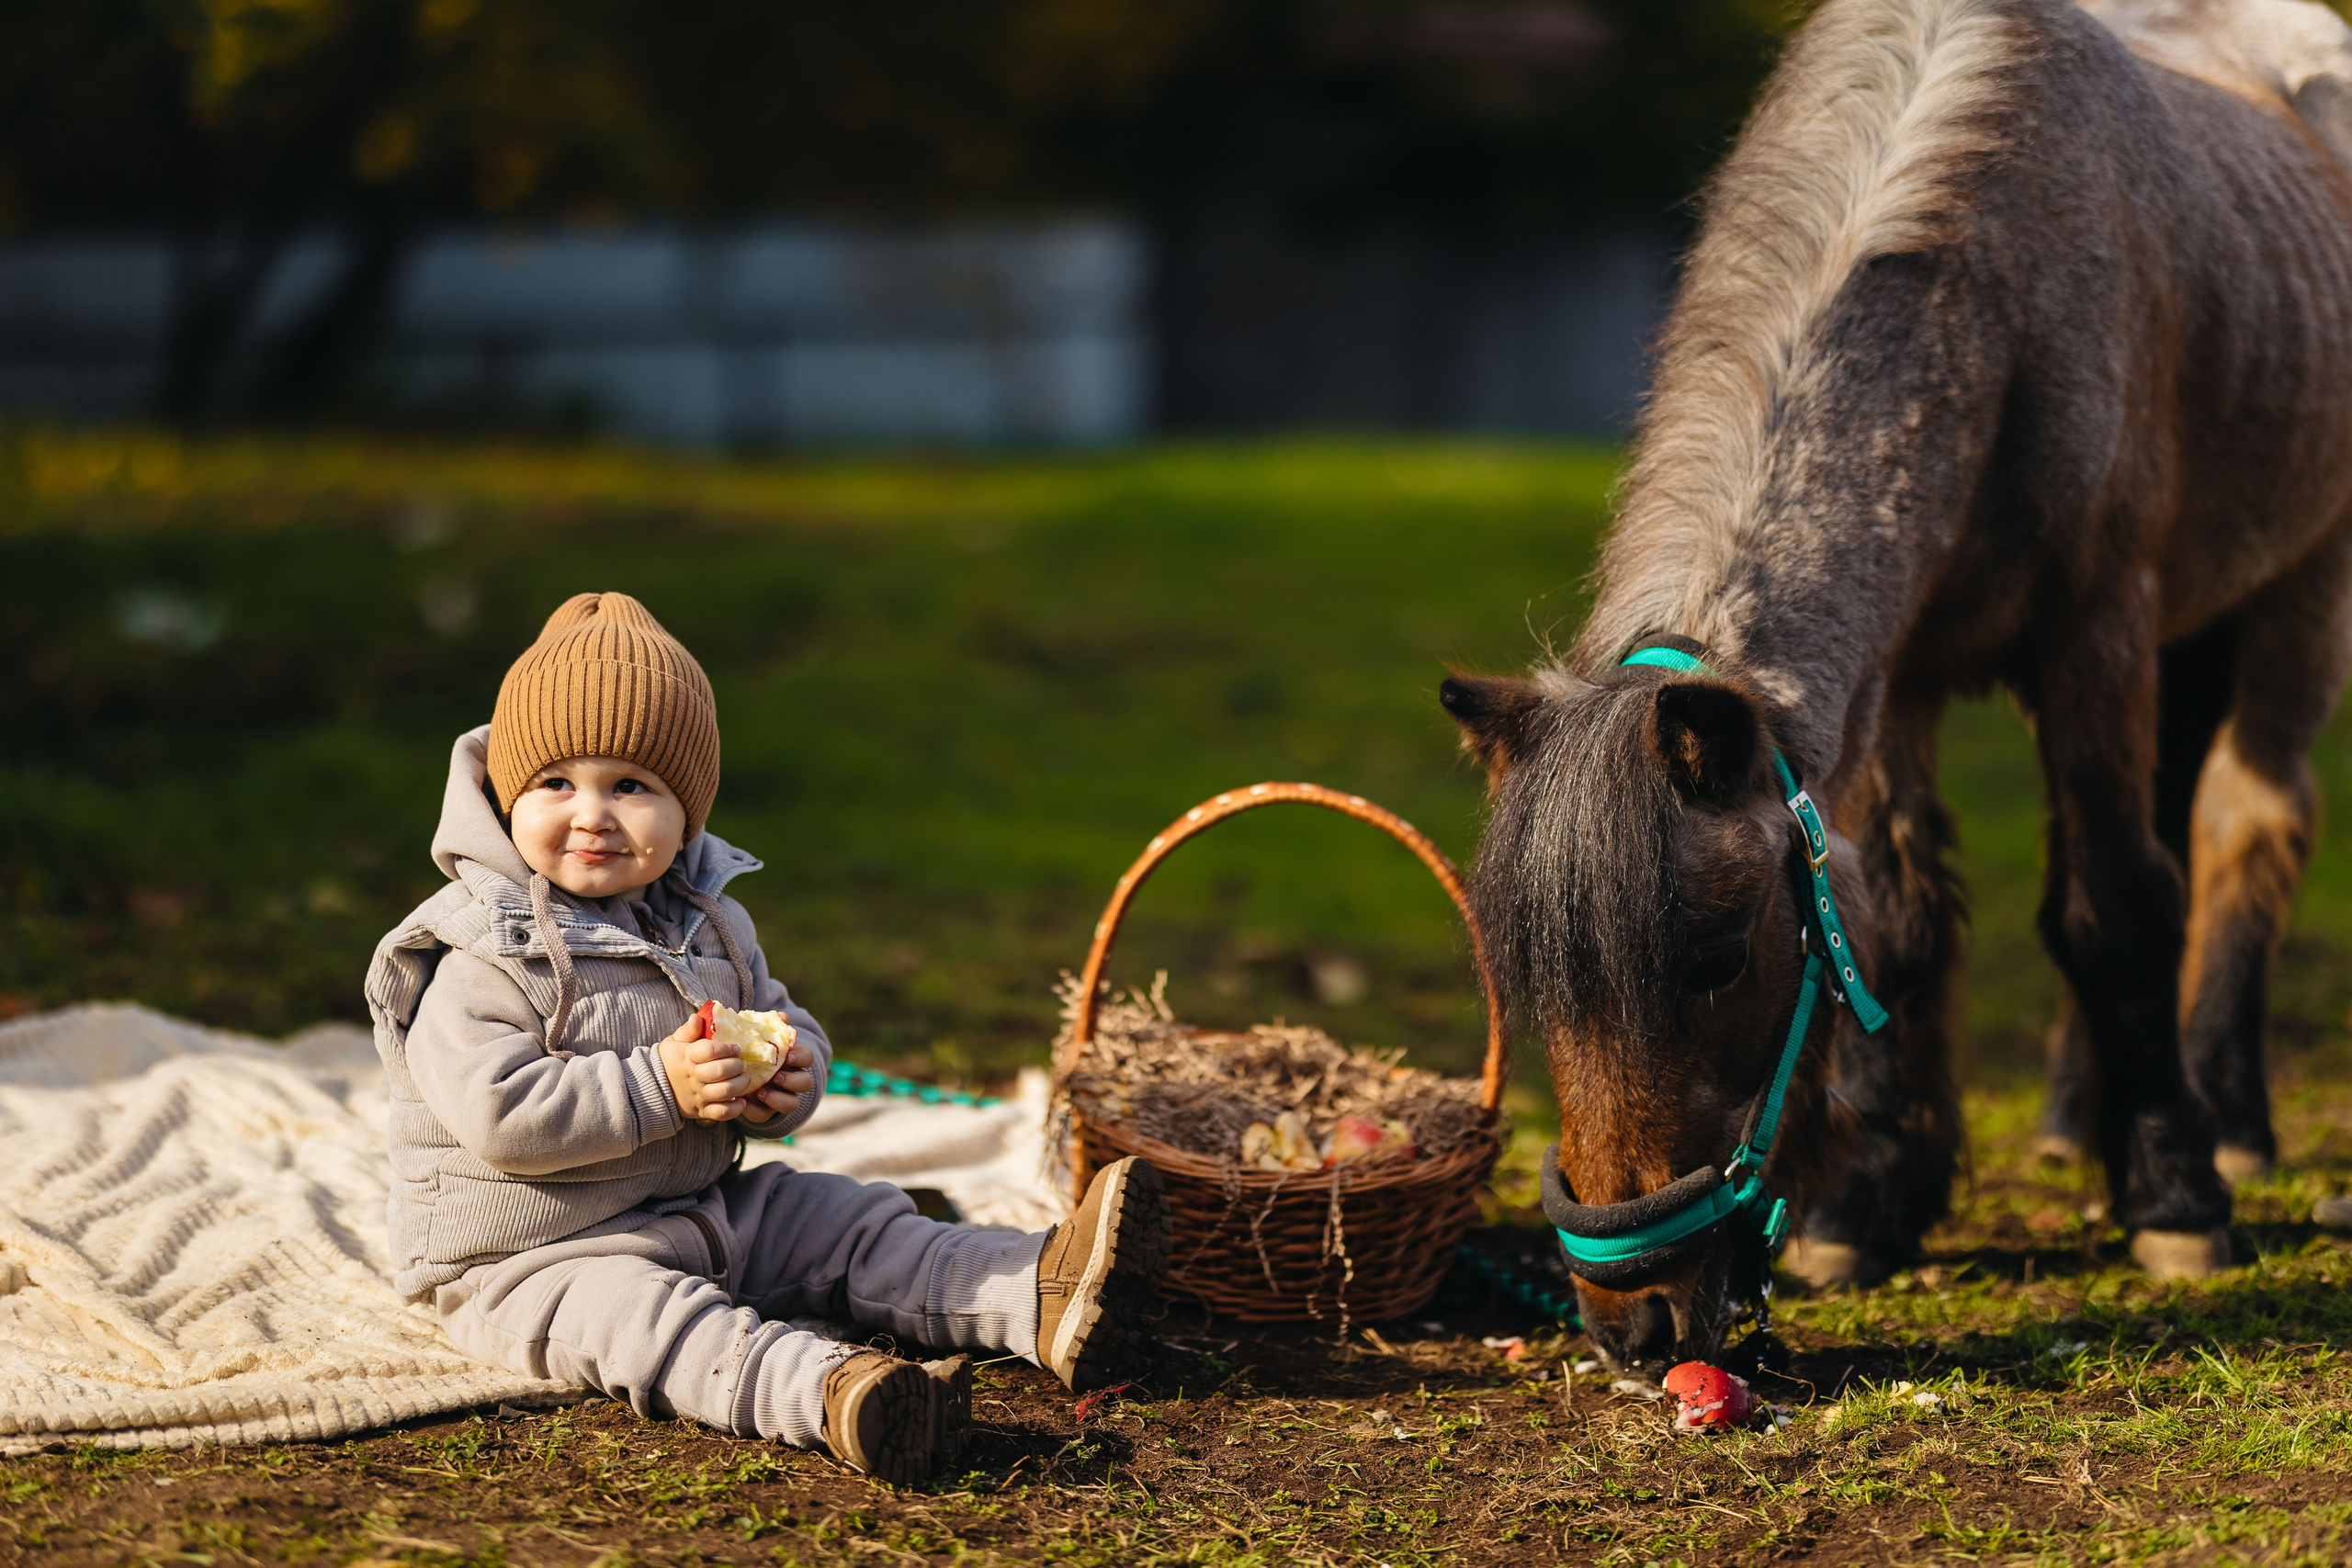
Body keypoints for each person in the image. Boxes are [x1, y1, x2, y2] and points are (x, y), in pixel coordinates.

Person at [365, 592, 1166, 1483]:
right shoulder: (478, 952)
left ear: (687, 810)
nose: (591, 813)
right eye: (556, 783)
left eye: (630, 785)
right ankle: (836, 1393)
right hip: (529, 1259)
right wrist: (662, 1086)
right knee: (652, 1323)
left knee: (841, 1216)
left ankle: (1034, 1292)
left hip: (698, 1206)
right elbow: (502, 1115)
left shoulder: (708, 923)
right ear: (506, 798)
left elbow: (783, 1017)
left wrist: (793, 1073)